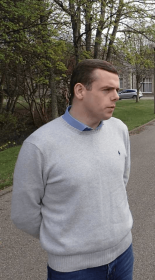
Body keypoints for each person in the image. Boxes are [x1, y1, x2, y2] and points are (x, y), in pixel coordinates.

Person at [11, 59, 134, 280]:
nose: (116, 96)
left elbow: (120, 180)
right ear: (80, 90)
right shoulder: (39, 145)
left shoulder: (119, 129)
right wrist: (66, 239)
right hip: (73, 270)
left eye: (116, 89)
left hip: (124, 255)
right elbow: (24, 214)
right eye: (107, 89)